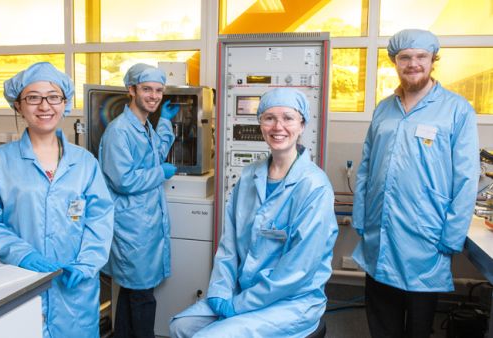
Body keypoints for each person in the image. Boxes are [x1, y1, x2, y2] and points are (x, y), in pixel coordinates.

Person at [169, 87, 339, 338]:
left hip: (291, 302)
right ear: (260, 124)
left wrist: (239, 305)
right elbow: (229, 247)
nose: (278, 126)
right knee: (179, 326)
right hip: (242, 290)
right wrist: (220, 290)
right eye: (269, 118)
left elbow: (297, 271)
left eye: (288, 118)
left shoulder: (314, 186)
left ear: (302, 125)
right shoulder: (250, 176)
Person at [0, 62, 114, 337]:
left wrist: (86, 264)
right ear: (18, 106)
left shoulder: (84, 163)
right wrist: (24, 255)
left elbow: (101, 221)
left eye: (53, 96)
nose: (44, 106)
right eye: (33, 97)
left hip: (75, 294)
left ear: (65, 103)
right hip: (20, 281)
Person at [352, 29, 480, 338]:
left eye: (420, 56)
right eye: (404, 57)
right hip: (380, 230)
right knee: (382, 321)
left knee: (418, 326)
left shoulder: (456, 109)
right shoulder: (384, 108)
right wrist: (360, 216)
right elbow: (366, 167)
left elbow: (466, 177)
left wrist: (452, 235)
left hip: (426, 235)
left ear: (433, 60)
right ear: (394, 62)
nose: (413, 64)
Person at [99, 63, 179, 338]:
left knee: (133, 292)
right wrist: (160, 172)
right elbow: (124, 180)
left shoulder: (142, 126)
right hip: (132, 226)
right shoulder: (118, 132)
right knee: (143, 296)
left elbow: (156, 151)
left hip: (144, 222)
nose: (154, 96)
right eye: (147, 89)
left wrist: (165, 122)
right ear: (130, 90)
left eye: (158, 90)